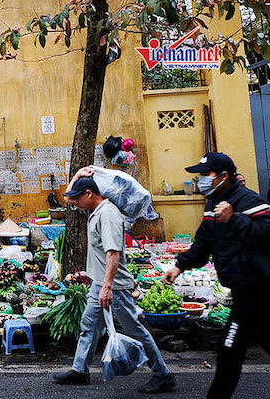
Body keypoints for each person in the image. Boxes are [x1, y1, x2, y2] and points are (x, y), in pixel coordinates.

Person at [53, 166, 176, 394]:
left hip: (114, 286)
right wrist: (79, 174)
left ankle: (163, 374)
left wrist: (107, 287)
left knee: (135, 331)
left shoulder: (108, 214)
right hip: (99, 284)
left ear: (90, 194)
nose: (75, 203)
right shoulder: (95, 210)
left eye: (80, 198)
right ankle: (80, 371)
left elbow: (113, 255)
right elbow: (69, 197)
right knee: (88, 327)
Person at [162, 152, 270, 399]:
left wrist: (233, 219)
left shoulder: (249, 201)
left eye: (205, 176)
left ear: (223, 176)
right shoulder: (212, 206)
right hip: (244, 291)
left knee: (228, 351)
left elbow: (267, 235)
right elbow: (203, 243)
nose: (201, 181)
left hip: (258, 289)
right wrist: (180, 266)